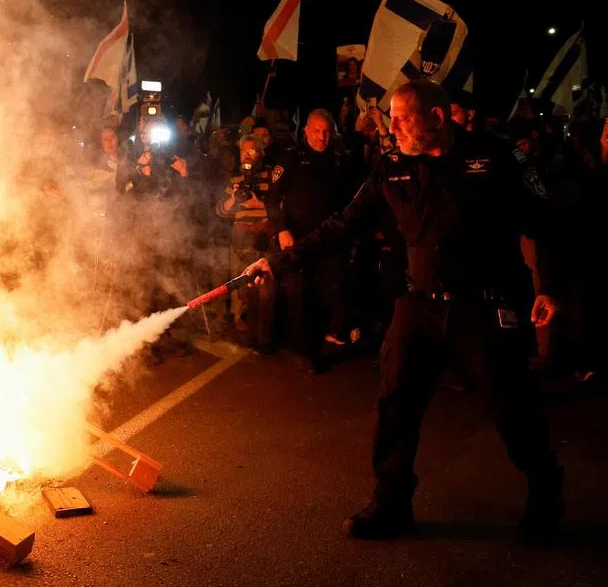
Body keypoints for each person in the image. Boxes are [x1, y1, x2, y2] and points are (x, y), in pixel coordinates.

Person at [243, 80, 564, 541]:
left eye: (402, 118)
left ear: (436, 118)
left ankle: (545, 494)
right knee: (396, 404)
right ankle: (391, 503)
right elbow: (343, 224)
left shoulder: (495, 158)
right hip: (420, 307)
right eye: (391, 118)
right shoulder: (391, 166)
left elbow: (545, 223)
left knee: (512, 406)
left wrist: (548, 287)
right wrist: (278, 261)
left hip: (486, 305)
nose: (390, 128)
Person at [266, 109, 359, 370]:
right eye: (317, 130)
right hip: (298, 240)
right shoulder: (290, 159)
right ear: (305, 130)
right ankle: (301, 348)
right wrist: (281, 229)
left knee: (325, 294)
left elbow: (352, 200)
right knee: (300, 293)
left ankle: (313, 349)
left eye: (327, 131)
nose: (322, 136)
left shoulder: (340, 159)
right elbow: (272, 200)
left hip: (330, 240)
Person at [210, 134, 275, 350]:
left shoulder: (270, 176)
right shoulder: (235, 180)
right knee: (243, 286)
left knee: (264, 287)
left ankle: (264, 335)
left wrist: (260, 205)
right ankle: (246, 328)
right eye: (242, 151)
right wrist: (232, 200)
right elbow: (221, 211)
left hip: (263, 237)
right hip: (241, 238)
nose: (246, 155)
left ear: (261, 152)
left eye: (251, 150)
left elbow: (279, 209)